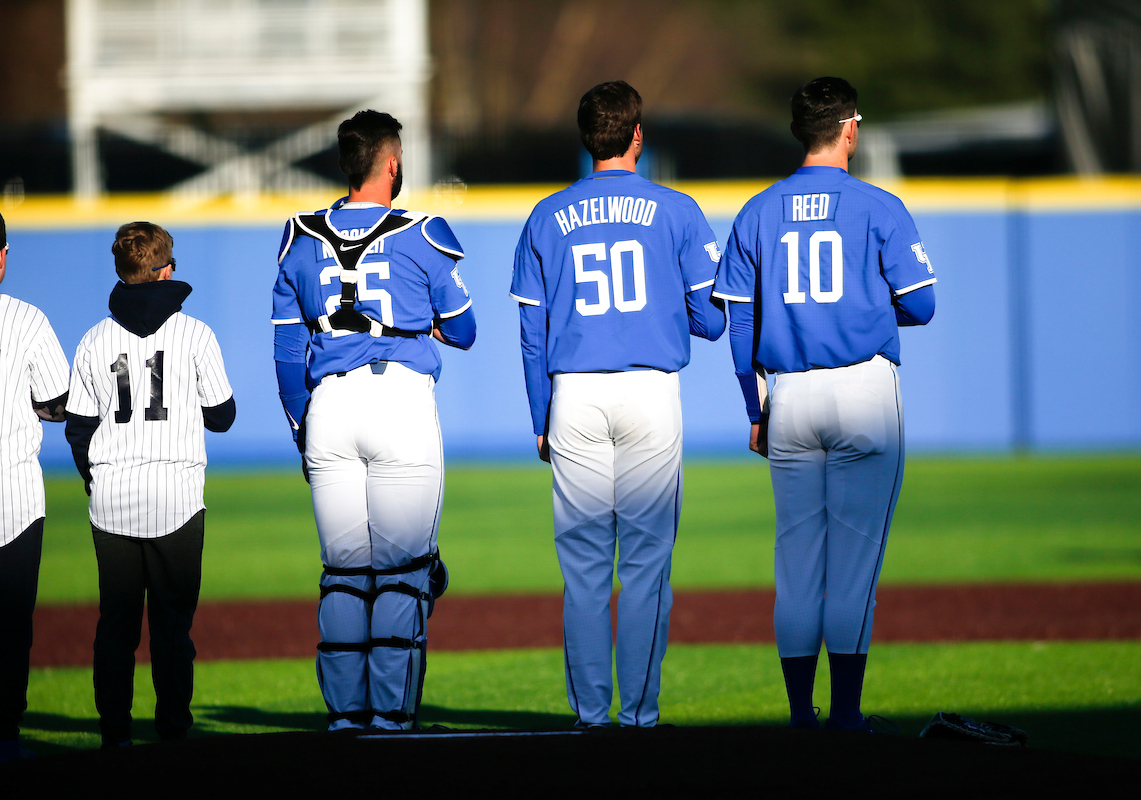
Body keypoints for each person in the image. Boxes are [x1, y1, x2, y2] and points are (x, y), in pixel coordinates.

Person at [713, 76, 936, 731]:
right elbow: (921, 304)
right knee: (855, 559)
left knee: (798, 562)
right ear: (849, 129)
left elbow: (740, 327)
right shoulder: (879, 205)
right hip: (863, 389)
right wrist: (866, 302)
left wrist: (755, 410)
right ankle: (844, 714)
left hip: (789, 397)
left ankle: (798, 715)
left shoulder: (758, 210)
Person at [510, 81, 726, 728]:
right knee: (645, 564)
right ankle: (637, 715)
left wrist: (540, 416)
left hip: (572, 393)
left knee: (582, 570)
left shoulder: (547, 215)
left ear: (585, 138)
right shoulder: (678, 209)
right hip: (649, 391)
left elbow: (530, 333)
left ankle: (590, 715)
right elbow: (712, 321)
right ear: (637, 135)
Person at [271, 109, 475, 731]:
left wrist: (303, 430)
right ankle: (391, 718)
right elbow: (465, 330)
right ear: (392, 163)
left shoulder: (298, 235)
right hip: (399, 403)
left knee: (343, 570)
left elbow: (285, 352)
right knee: (403, 571)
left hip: (328, 404)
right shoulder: (424, 230)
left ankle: (346, 717)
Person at [64, 222, 235, 747]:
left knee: (115, 628)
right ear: (164, 271)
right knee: (172, 630)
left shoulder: (94, 339)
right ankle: (173, 732)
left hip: (112, 501)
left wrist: (95, 480)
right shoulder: (196, 334)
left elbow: (78, 429)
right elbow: (222, 416)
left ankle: (114, 734)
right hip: (178, 498)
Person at [0, 213, 71, 762]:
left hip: (18, 499)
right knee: (11, 626)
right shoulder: (25, 319)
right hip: (15, 500)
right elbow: (55, 402)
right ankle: (6, 734)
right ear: (3, 257)